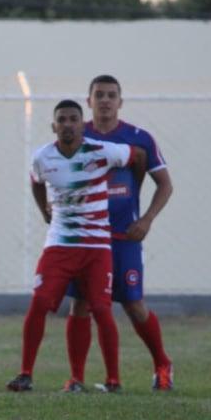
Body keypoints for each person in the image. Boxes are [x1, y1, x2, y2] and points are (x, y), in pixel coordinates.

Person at [7, 100, 146, 394]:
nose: (68, 124)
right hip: (60, 245)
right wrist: (45, 211)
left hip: (97, 247)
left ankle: (113, 380)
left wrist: (135, 195)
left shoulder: (102, 151)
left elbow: (139, 156)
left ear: (82, 125)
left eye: (73, 119)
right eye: (62, 120)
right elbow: (36, 182)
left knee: (100, 308)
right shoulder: (42, 157)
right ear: (54, 126)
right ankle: (25, 374)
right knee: (40, 303)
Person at [65, 75, 175, 392]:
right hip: (85, 237)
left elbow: (165, 184)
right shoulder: (75, 135)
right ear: (88, 101)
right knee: (81, 303)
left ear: (120, 102)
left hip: (123, 237)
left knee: (133, 304)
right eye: (98, 95)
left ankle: (162, 364)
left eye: (111, 95)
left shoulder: (138, 138)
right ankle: (76, 378)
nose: (105, 100)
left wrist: (147, 219)